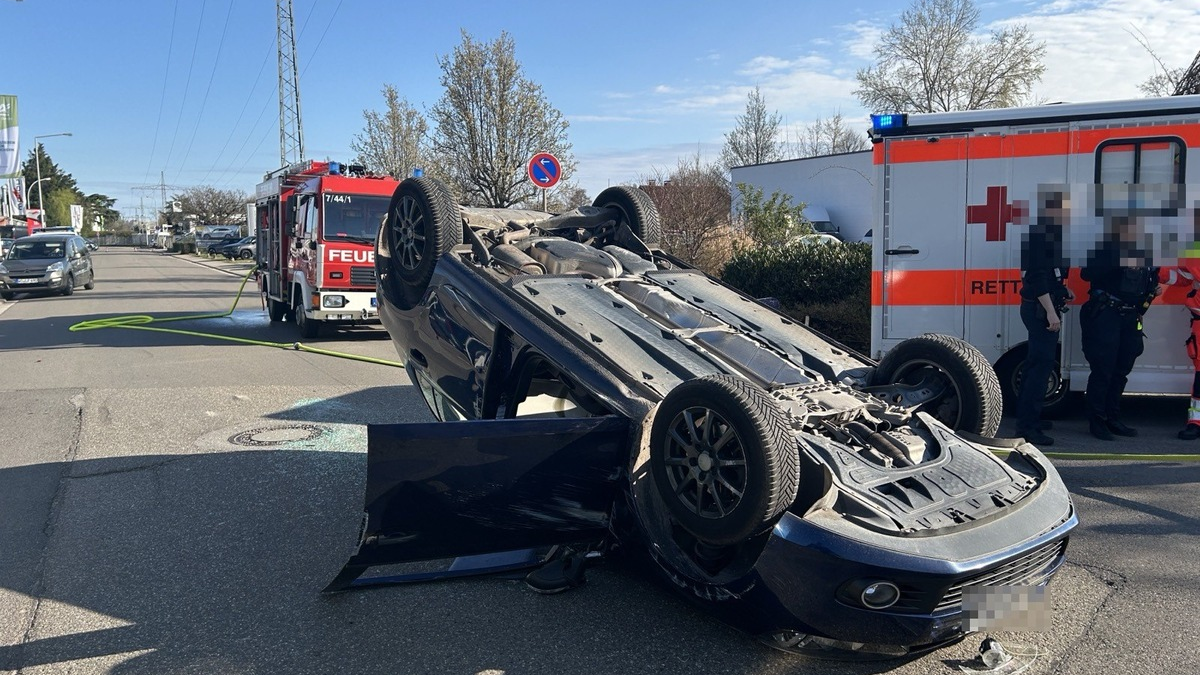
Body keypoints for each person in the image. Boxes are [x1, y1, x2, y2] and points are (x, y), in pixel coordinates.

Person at [1079, 215, 1162, 440]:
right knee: (1103, 369)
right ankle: (1097, 421)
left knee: (1122, 369)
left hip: (1130, 316)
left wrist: (1153, 291)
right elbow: (1086, 274)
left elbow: (1151, 281)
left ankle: (1113, 417)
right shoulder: (1105, 247)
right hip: (1106, 313)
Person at [1014, 188, 1073, 446]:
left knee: (1035, 365)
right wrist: (1051, 312)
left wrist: (1063, 290)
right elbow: (1036, 278)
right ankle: (1028, 428)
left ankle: (1029, 417)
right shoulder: (1042, 236)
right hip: (1040, 310)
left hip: (1042, 306)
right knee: (1040, 368)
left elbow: (1050, 275)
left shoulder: (1050, 235)